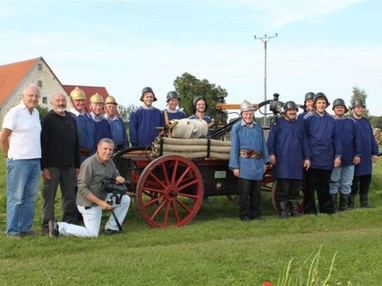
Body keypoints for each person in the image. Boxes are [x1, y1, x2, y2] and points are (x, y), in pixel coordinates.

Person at [48, 138, 131, 238]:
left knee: (125, 199)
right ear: (98, 148)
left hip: (103, 197)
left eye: (110, 150)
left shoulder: (109, 162)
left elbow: (115, 173)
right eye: (105, 149)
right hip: (89, 203)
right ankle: (59, 227)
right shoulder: (89, 164)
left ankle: (112, 228)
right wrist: (100, 203)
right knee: (92, 234)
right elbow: (82, 188)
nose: (108, 152)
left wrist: (118, 177)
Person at [0, 84, 41, 239]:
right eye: (30, 95)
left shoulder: (36, 113)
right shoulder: (14, 113)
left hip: (34, 160)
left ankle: (25, 227)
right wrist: (8, 155)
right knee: (16, 197)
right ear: (23, 96)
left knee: (30, 197)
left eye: (36, 96)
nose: (34, 98)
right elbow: (3, 137)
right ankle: (12, 231)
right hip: (18, 161)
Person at [40, 92, 81, 234]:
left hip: (69, 165)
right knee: (49, 195)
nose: (60, 103)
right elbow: (43, 144)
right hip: (52, 166)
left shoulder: (71, 119)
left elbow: (76, 143)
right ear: (52, 102)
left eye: (63, 100)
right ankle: (47, 224)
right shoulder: (47, 120)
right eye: (57, 100)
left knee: (69, 195)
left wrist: (77, 165)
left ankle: (69, 222)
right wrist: (44, 166)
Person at [267, 101, 310, 219]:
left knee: (295, 188)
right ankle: (283, 212)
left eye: (294, 110)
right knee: (283, 188)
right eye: (290, 110)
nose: (292, 112)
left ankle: (294, 210)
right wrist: (271, 154)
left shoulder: (300, 125)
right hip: (282, 161)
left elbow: (304, 142)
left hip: (296, 162)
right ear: (285, 112)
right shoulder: (277, 124)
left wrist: (307, 157)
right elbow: (271, 140)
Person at [229, 100, 270, 221]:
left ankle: (256, 214)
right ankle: (244, 215)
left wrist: (265, 162)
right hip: (244, 164)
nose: (248, 116)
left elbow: (263, 145)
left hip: (257, 163)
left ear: (253, 114)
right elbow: (234, 147)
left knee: (256, 192)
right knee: (244, 192)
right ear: (242, 114)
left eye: (250, 113)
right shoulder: (237, 128)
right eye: (246, 114)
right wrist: (235, 166)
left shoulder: (258, 128)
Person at [303, 92, 342, 215]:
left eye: (323, 103)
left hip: (327, 157)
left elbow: (336, 138)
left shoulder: (331, 119)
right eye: (319, 102)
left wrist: (338, 156)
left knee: (324, 186)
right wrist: (307, 157)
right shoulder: (307, 118)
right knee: (310, 187)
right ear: (314, 104)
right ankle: (309, 210)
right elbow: (304, 139)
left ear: (326, 104)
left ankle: (326, 209)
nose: (321, 105)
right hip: (312, 158)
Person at [329, 98, 361, 211]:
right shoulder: (330, 121)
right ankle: (333, 206)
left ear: (345, 109)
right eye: (337, 107)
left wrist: (358, 154)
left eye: (341, 107)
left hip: (349, 157)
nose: (339, 109)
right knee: (334, 182)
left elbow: (357, 140)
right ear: (334, 109)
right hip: (334, 159)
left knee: (347, 183)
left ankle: (344, 206)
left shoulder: (351, 122)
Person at [349, 98, 379, 208]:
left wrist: (374, 152)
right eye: (358, 107)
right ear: (353, 109)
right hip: (356, 157)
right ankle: (350, 203)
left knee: (366, 181)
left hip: (367, 157)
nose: (360, 109)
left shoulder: (366, 121)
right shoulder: (350, 121)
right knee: (354, 182)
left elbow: (371, 138)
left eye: (362, 107)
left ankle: (364, 203)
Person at [69, 87, 95, 163]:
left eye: (82, 100)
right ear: (71, 101)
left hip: (90, 157)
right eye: (78, 100)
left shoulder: (88, 118)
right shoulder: (68, 118)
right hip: (76, 158)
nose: (80, 103)